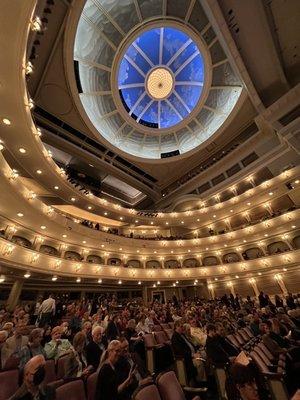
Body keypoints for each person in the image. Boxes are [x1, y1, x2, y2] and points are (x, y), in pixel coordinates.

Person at [171, 319, 197, 385]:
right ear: (176, 327)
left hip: (193, 354)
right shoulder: (175, 337)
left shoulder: (182, 335)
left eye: (182, 326)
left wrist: (196, 350)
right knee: (199, 364)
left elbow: (189, 344)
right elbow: (180, 351)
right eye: (181, 326)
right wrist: (192, 355)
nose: (182, 328)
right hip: (186, 358)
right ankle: (198, 383)